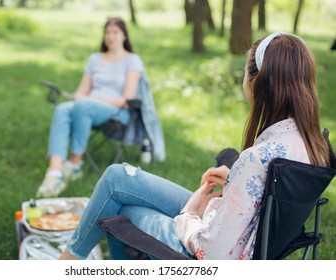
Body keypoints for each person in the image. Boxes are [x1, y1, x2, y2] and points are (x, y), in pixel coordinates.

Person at [58, 32, 331, 260]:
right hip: (234, 228)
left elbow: (211, 253)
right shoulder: (313, 146)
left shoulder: (256, 159)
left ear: (255, 82)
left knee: (123, 209)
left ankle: (66, 264)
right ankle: (68, 261)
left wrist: (189, 214)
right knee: (117, 177)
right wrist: (235, 182)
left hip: (212, 251)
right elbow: (265, 199)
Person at [36, 17, 144, 198]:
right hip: (87, 107)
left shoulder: (132, 60)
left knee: (83, 105)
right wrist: (74, 96)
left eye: (115, 32)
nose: (110, 36)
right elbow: (81, 92)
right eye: (107, 32)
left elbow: (127, 98)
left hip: (117, 110)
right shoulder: (95, 59)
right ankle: (54, 173)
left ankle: (73, 164)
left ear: (124, 35)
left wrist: (94, 99)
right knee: (62, 109)